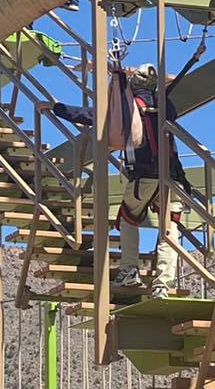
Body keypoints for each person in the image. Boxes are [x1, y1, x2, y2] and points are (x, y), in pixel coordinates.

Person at [53, 62, 189, 299]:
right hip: (172, 178)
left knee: (128, 218)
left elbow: (94, 116)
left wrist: (58, 108)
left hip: (144, 175)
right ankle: (162, 285)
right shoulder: (166, 106)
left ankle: (129, 270)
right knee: (169, 229)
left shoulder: (130, 107)